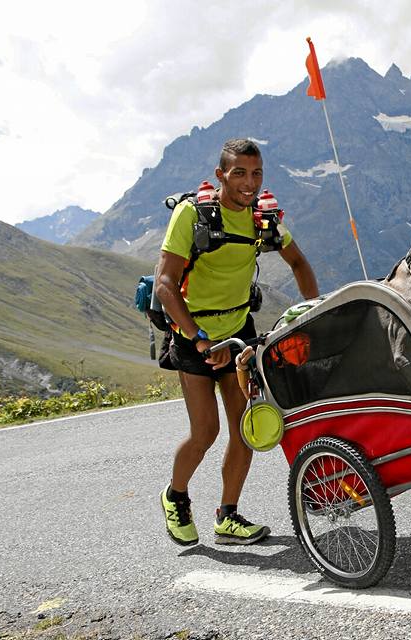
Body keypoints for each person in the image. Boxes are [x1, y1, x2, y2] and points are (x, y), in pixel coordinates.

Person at [156, 138, 318, 546]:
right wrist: (197, 339)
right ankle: (175, 496)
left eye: (257, 173)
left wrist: (315, 310)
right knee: (205, 431)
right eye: (240, 173)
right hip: (193, 334)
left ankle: (227, 516)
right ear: (221, 175)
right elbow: (164, 285)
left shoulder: (264, 218)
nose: (249, 183)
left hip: (239, 332)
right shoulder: (193, 216)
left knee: (245, 428)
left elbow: (298, 262)